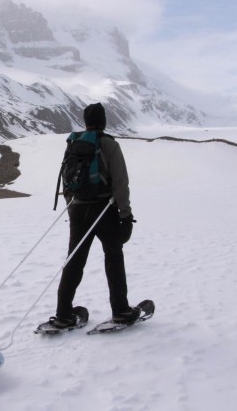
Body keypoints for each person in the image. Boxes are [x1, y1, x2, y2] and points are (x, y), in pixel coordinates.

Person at [50, 103, 137, 328]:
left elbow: (67, 179)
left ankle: (63, 314)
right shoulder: (109, 144)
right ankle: (120, 310)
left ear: (85, 121)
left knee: (74, 259)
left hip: (78, 208)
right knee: (114, 256)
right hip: (103, 209)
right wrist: (126, 215)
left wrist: (72, 208)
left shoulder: (73, 144)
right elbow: (120, 183)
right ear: (104, 121)